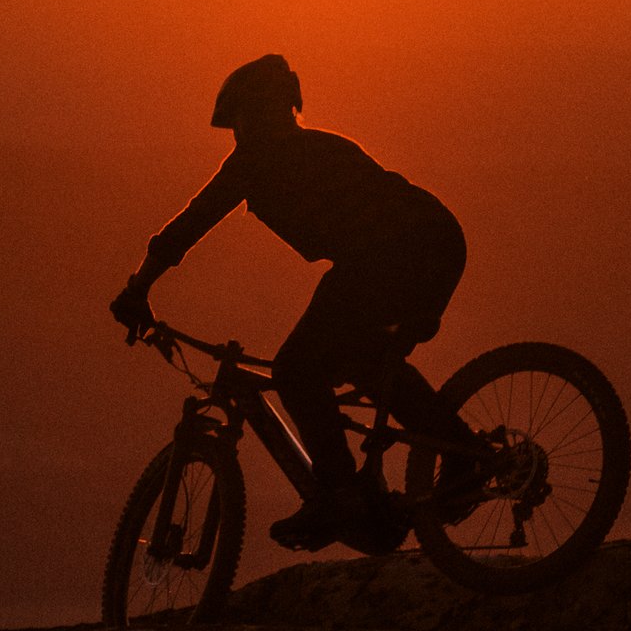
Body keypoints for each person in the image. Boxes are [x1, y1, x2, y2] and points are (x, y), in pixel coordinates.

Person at [110, 54, 474, 551]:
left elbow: (187, 228)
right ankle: (458, 452)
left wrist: (137, 289)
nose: (238, 135)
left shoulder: (255, 162)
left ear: (251, 116)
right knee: (363, 357)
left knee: (296, 368)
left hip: (393, 251)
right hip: (431, 244)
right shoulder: (319, 147)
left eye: (238, 122)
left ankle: (341, 492)